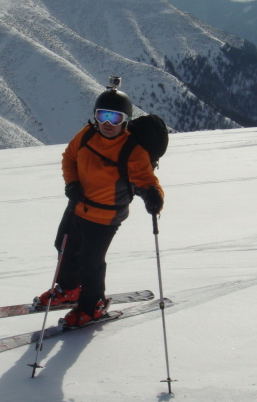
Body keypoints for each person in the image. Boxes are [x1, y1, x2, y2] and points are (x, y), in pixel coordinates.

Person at [36, 81, 164, 328]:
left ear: (125, 120)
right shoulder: (86, 135)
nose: (107, 123)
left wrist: (153, 197)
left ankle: (91, 305)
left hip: (105, 217)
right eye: (102, 115)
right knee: (64, 247)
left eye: (115, 118)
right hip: (78, 206)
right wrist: (72, 183)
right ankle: (69, 289)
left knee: (91, 262)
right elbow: (69, 157)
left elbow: (146, 181)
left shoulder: (132, 150)